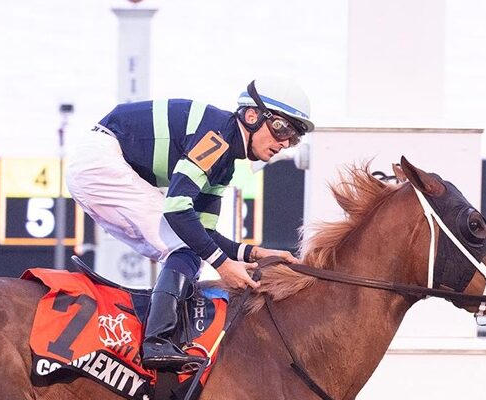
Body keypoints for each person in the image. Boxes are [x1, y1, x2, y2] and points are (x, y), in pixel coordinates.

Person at [66, 76, 315, 371]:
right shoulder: (217, 138)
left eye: (294, 137)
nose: (285, 143)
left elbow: (202, 232)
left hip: (101, 162)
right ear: (252, 116)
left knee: (189, 247)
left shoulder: (224, 166)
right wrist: (223, 265)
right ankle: (156, 342)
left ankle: (160, 336)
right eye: (281, 128)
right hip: (101, 160)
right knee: (183, 248)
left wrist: (254, 254)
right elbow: (177, 209)